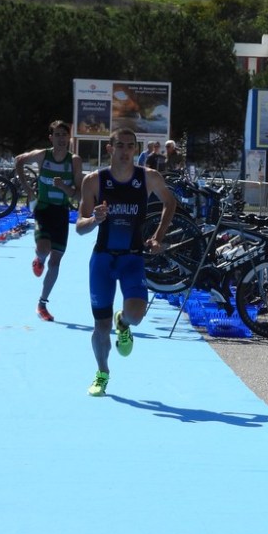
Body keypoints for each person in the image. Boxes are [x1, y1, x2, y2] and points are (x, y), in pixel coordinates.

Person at [75, 127, 177, 397]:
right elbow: (80, 227)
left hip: (132, 259)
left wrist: (157, 237)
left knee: (135, 316)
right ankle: (102, 373)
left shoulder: (148, 177)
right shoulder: (94, 181)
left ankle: (124, 324)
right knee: (101, 326)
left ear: (136, 149)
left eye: (130, 146)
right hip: (103, 261)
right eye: (120, 145)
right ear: (110, 149)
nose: (125, 151)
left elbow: (170, 202)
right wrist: (95, 219)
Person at [15, 120, 83, 321]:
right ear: (51, 138)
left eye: (64, 135)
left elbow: (78, 195)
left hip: (61, 212)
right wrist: (28, 189)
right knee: (44, 249)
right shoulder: (42, 155)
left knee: (56, 262)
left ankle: (42, 304)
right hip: (44, 209)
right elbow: (19, 160)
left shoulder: (74, 161)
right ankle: (39, 259)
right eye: (57, 135)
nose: (61, 139)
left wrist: (64, 187)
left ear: (69, 138)